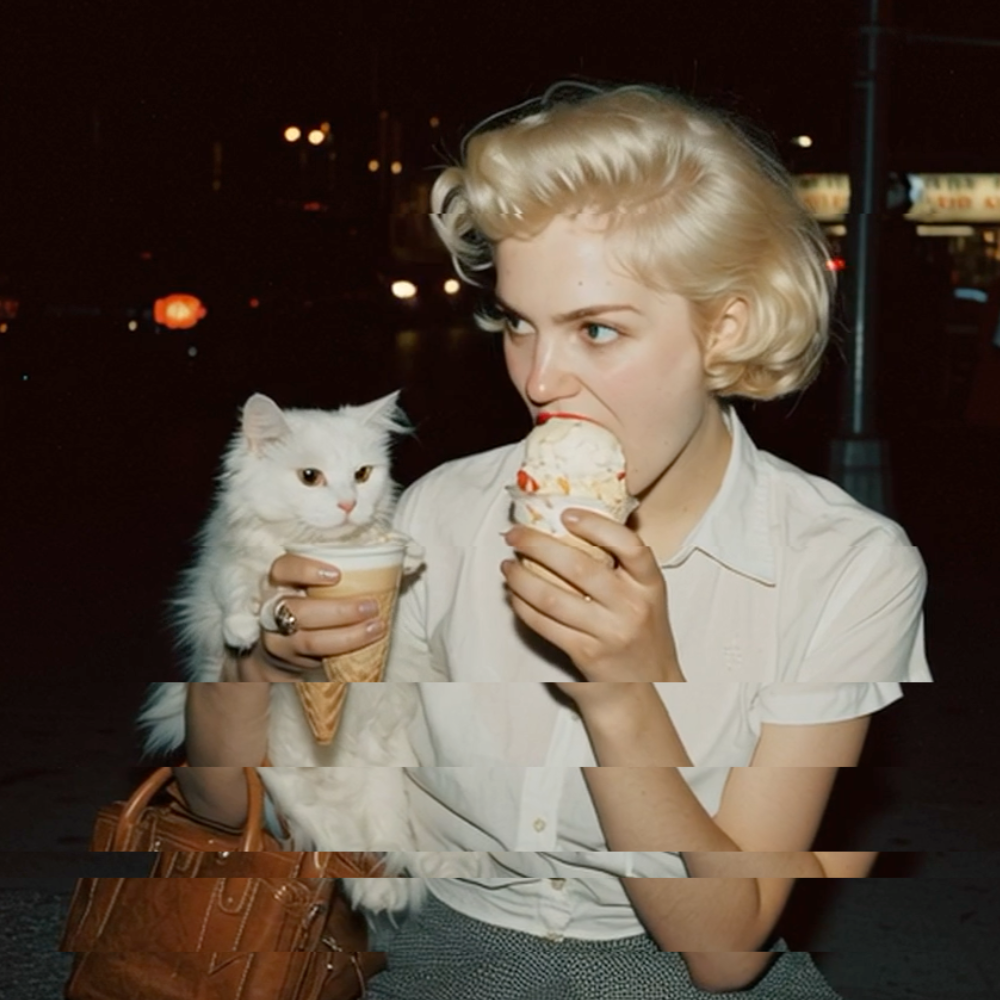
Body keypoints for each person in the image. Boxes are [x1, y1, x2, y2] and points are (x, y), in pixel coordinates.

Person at [171, 83, 930, 998]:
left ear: (724, 328)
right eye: (517, 323)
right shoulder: (436, 517)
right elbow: (222, 808)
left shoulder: (847, 567)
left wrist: (623, 696)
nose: (539, 379)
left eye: (597, 329)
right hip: (426, 944)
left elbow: (723, 952)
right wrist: (263, 667)